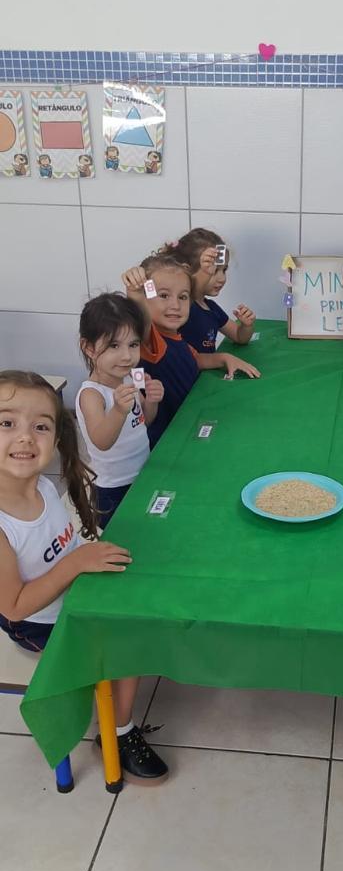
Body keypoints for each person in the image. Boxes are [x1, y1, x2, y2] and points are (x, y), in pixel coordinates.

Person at [0, 371, 167, 783]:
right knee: (129, 641)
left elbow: (65, 543)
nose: (25, 438)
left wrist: (84, 556)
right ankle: (119, 732)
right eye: (6, 423)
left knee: (145, 586)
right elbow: (14, 607)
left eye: (41, 426)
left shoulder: (41, 486)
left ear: (57, 438)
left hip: (71, 592)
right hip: (35, 622)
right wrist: (75, 564)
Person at [122, 253, 260, 447]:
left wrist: (224, 358)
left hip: (189, 429)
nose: (175, 305)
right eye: (164, 295)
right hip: (165, 442)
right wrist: (135, 293)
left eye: (183, 297)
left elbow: (194, 359)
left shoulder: (176, 338)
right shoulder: (149, 339)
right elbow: (139, 317)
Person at [76, 293, 164, 527]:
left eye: (133, 345)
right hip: (113, 488)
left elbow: (143, 421)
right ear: (88, 347)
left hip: (143, 472)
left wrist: (151, 401)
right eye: (114, 345)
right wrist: (117, 411)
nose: (126, 356)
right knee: (122, 537)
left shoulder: (130, 378)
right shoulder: (91, 394)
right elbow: (101, 441)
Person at [123, 228, 256, 353]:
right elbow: (140, 311)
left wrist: (246, 326)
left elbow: (239, 336)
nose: (221, 278)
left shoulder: (211, 308)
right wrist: (135, 282)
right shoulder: (180, 309)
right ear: (187, 269)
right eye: (214, 270)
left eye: (224, 270)